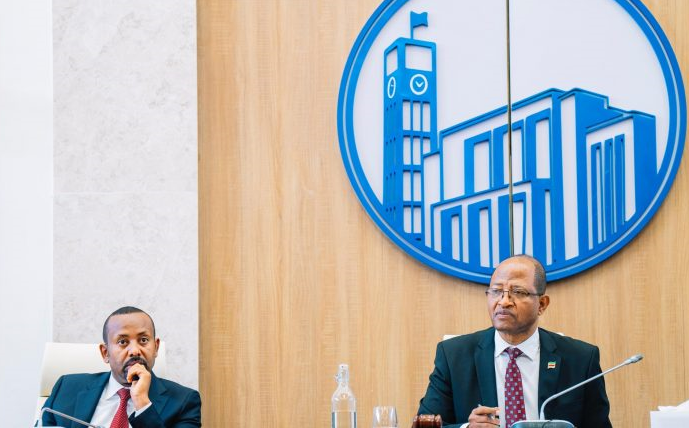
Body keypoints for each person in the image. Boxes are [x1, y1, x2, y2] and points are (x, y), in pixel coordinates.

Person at [417, 255, 611, 428]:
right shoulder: (453, 356)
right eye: (496, 291)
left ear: (542, 304)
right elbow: (425, 424)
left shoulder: (581, 359)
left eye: (518, 292)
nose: (503, 301)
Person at [40, 306, 201, 427]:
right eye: (123, 342)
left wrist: (142, 402)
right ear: (105, 353)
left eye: (143, 340)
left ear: (156, 347)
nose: (135, 350)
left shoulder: (184, 402)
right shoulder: (67, 388)